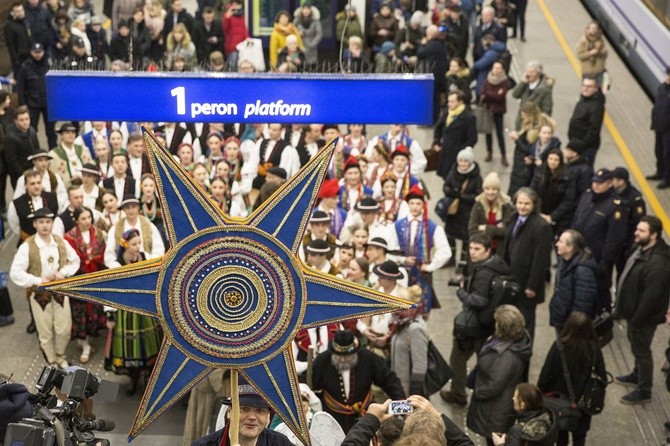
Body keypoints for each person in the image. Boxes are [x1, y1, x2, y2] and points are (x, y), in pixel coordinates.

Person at [441, 232, 510, 407]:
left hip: (473, 325)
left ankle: (458, 393)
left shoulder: (484, 271)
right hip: (488, 324)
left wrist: (461, 292)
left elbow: (479, 300)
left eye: (477, 249)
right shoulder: (497, 265)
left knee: (458, 358)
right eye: (471, 248)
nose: (472, 252)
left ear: (488, 250)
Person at [9, 208, 80, 370]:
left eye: (48, 222)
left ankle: (60, 355)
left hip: (61, 293)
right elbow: (15, 273)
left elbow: (75, 260)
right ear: (35, 224)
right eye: (41, 222)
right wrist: (37, 280)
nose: (45, 226)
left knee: (64, 329)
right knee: (45, 332)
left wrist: (63, 272)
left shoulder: (60, 241)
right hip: (40, 296)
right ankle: (51, 361)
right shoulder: (27, 246)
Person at [615, 216, 670, 404]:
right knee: (636, 347)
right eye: (637, 229)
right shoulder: (642, 248)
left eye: (641, 231)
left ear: (653, 235)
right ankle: (637, 374)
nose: (636, 233)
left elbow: (652, 297)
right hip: (634, 313)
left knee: (642, 351)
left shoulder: (658, 263)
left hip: (643, 317)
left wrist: (637, 319)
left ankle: (644, 389)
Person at [312, 329, 406, 433]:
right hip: (332, 421)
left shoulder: (368, 357)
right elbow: (312, 388)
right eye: (339, 356)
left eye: (347, 356)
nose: (343, 359)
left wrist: (402, 408)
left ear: (355, 351)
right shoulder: (322, 361)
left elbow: (390, 380)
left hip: (364, 418)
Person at [106, 229, 164, 396]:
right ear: (125, 245)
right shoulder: (117, 264)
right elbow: (111, 290)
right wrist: (110, 314)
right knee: (130, 348)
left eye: (139, 243)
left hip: (144, 309)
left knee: (148, 346)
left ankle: (147, 378)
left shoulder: (144, 258)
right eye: (134, 244)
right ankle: (133, 379)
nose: (138, 247)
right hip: (126, 312)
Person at [467, 305, 532, 445]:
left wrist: (478, 391)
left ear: (503, 328)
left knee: (494, 441)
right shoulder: (510, 343)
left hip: (495, 411)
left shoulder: (506, 357)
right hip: (499, 407)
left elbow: (494, 385)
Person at [538, 312, 607, 445]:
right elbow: (602, 378)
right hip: (583, 405)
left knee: (561, 435)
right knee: (580, 437)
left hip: (560, 404)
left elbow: (545, 375)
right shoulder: (594, 349)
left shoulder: (558, 347)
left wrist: (541, 394)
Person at [570, 168, 627, 308]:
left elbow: (614, 238)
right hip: (578, 253)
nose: (596, 185)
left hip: (597, 259)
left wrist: (605, 262)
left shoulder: (615, 206)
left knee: (600, 292)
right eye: (595, 181)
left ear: (610, 184)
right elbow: (577, 217)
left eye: (600, 183)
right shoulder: (588, 195)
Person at [503, 187, 553, 340]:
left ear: (534, 205)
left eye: (526, 204)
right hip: (511, 277)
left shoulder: (541, 226)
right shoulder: (513, 218)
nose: (522, 207)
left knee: (526, 322)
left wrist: (532, 285)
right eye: (519, 203)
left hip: (527, 284)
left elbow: (540, 259)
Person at [396, 184, 451, 314]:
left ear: (423, 205)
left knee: (422, 309)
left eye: (418, 204)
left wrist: (430, 266)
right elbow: (392, 246)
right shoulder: (398, 225)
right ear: (408, 205)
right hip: (401, 273)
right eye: (412, 203)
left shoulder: (432, 228)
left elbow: (445, 252)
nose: (415, 207)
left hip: (421, 275)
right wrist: (402, 259)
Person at [192, 376, 292, 446]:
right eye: (244, 409)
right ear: (229, 412)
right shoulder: (204, 444)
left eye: (260, 410)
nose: (252, 417)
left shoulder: (280, 443)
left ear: (268, 418)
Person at [64, 206, 107, 364]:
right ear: (76, 220)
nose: (87, 221)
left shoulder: (99, 233)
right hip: (79, 278)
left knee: (94, 309)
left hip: (95, 276)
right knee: (80, 312)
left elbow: (104, 252)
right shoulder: (69, 237)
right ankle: (85, 344)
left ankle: (88, 339)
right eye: (83, 218)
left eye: (89, 217)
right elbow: (68, 259)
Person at [549, 230, 598, 332]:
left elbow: (583, 304)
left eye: (561, 242)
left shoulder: (584, 271)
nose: (557, 244)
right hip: (562, 320)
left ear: (570, 247)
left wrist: (573, 327)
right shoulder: (564, 261)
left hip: (571, 327)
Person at [442, 147, 483, 264]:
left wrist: (460, 196)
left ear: (470, 162)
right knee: (450, 235)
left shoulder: (476, 177)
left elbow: (478, 196)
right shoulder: (453, 171)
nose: (463, 164)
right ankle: (451, 258)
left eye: (465, 161)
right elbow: (446, 186)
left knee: (466, 239)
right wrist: (449, 191)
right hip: (453, 212)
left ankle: (463, 262)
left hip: (467, 213)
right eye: (461, 161)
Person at [17, 43, 57, 149]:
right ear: (31, 52)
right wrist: (23, 104)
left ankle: (53, 151)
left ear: (43, 52)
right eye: (35, 52)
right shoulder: (26, 67)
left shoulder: (49, 65)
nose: (38, 55)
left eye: (40, 52)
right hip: (32, 103)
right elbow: (20, 87)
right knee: (32, 130)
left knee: (51, 131)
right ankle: (34, 152)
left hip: (48, 103)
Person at [491, 383, 558, 446]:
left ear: (522, 405)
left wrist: (500, 444)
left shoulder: (517, 431)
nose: (513, 398)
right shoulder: (546, 420)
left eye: (515, 397)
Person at [530, 148, 575, 237]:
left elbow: (568, 200)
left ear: (560, 161)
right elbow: (532, 191)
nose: (552, 162)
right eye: (550, 159)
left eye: (556, 160)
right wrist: (537, 212)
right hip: (540, 213)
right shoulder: (540, 171)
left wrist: (552, 216)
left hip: (558, 218)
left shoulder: (568, 176)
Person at [434, 90, 478, 179]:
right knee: (446, 178)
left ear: (460, 102)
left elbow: (472, 139)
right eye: (448, 101)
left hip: (457, 156)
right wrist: (436, 141)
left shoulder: (468, 117)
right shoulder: (448, 112)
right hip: (445, 152)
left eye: (452, 102)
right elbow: (438, 126)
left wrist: (461, 151)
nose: (449, 104)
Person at [468, 172, 513, 257]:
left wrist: (485, 228)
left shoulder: (505, 205)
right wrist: (496, 229)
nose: (490, 192)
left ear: (498, 190)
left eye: (494, 189)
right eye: (487, 189)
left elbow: (506, 231)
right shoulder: (478, 204)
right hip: (482, 250)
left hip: (500, 249)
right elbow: (472, 229)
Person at [611, 166, 646, 273]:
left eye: (615, 179)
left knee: (623, 271)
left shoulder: (635, 199)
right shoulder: (613, 192)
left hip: (626, 243)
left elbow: (638, 222)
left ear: (622, 181)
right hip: (614, 240)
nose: (612, 182)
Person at [567, 76, 605, 168]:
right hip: (575, 144)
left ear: (595, 89)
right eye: (584, 85)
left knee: (584, 170)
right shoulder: (583, 99)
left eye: (589, 86)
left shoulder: (597, 106)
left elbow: (594, 129)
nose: (585, 88)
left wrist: (581, 145)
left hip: (586, 147)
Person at [481, 61, 513, 165]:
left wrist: (489, 94)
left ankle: (503, 155)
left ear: (502, 70)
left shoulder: (504, 81)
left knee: (500, 134)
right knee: (488, 132)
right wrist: (495, 93)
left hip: (498, 111)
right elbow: (482, 92)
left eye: (499, 68)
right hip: (488, 110)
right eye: (495, 68)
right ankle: (489, 152)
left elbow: (501, 96)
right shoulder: (488, 79)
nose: (496, 70)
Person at [3, 106, 40, 188]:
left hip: (33, 169)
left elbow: (37, 150)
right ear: (16, 121)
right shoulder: (10, 137)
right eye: (22, 120)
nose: (25, 122)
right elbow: (12, 160)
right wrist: (23, 174)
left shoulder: (32, 131)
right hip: (19, 174)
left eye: (27, 119)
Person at [511, 62, 554, 128]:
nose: (529, 74)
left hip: (534, 124)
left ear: (538, 73)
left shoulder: (545, 89)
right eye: (527, 72)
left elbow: (547, 109)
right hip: (522, 121)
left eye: (532, 72)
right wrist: (522, 83)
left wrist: (540, 124)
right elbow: (515, 95)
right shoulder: (525, 84)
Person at [648, 67, 670, 187]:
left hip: (668, 130)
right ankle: (660, 172)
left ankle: (668, 178)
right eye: (667, 75)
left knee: (668, 154)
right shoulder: (662, 87)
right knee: (659, 151)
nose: (668, 77)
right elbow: (657, 105)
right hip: (659, 126)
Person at [576, 21, 608, 86]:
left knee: (599, 93)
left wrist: (603, 53)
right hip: (588, 73)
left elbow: (605, 56)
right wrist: (590, 53)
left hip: (599, 72)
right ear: (587, 29)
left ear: (598, 30)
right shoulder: (583, 41)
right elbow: (580, 56)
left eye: (595, 28)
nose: (593, 30)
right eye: (591, 28)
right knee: (587, 92)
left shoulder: (600, 40)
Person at [5, 2, 31, 77]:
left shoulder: (26, 22)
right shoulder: (9, 25)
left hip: (30, 56)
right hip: (19, 59)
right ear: (13, 13)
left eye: (22, 10)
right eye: (18, 11)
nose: (21, 13)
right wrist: (16, 60)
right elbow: (10, 45)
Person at [295, 2, 322, 71]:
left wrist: (312, 43)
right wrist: (298, 34)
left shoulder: (315, 21)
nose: (306, 11)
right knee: (298, 64)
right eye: (304, 9)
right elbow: (292, 31)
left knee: (311, 66)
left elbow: (319, 33)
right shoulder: (297, 20)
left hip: (311, 47)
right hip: (298, 46)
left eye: (308, 9)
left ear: (311, 10)